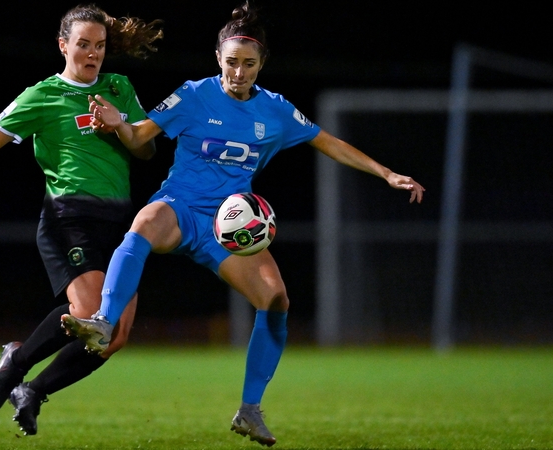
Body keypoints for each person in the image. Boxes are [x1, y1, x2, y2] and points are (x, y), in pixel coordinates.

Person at [61, 1, 425, 446]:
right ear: (218, 59)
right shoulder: (194, 95)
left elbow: (327, 142)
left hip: (228, 225)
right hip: (179, 206)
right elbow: (139, 136)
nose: (239, 72)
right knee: (142, 225)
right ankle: (102, 320)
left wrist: (387, 173)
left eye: (248, 64)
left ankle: (250, 409)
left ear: (261, 64)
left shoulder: (275, 111)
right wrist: (119, 124)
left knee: (275, 300)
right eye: (231, 62)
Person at [0, 3, 163, 436]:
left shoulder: (118, 87)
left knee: (114, 335)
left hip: (119, 223)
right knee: (92, 313)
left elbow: (146, 150)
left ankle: (32, 390)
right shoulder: (43, 94)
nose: (92, 54)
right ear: (63, 45)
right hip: (68, 215)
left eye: (100, 46)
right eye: (83, 45)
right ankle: (16, 359)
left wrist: (121, 127)